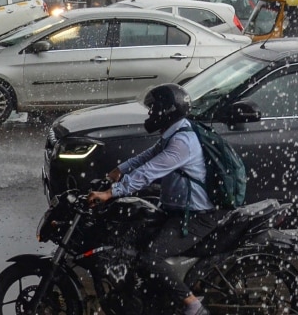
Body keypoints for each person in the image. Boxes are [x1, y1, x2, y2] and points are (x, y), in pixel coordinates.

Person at [87, 84, 215, 315]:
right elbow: (149, 156)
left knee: (150, 257)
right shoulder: (176, 132)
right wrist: (119, 170)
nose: (150, 114)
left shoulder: (182, 142)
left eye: (153, 109)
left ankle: (193, 306)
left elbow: (149, 172)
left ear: (167, 111)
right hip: (175, 209)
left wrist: (111, 193)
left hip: (195, 216)